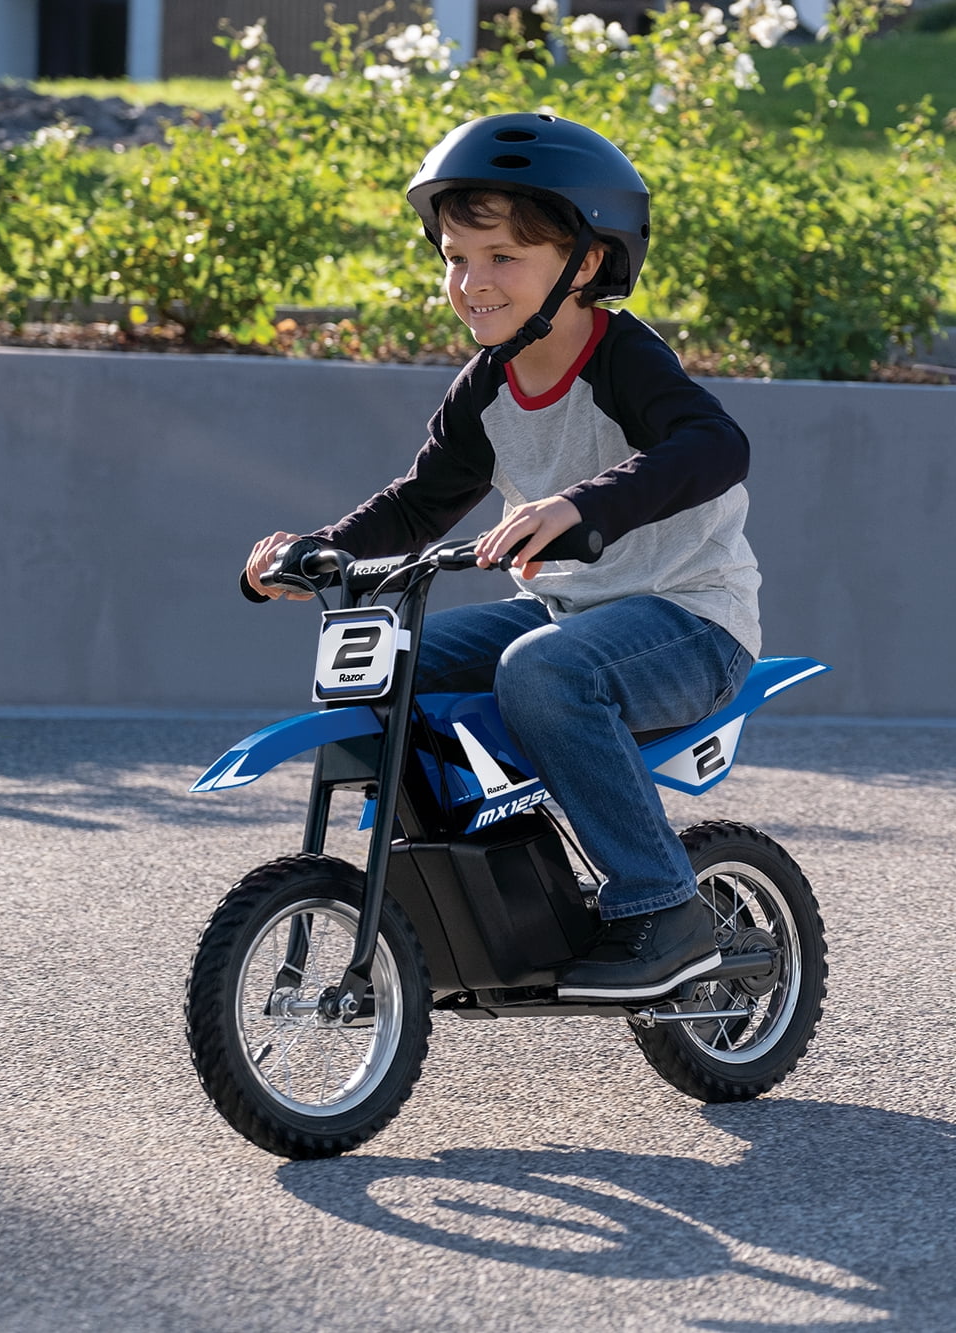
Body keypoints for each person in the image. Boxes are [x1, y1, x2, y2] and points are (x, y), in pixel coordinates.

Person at [241, 114, 760, 1002]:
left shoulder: (622, 361)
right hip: (566, 614)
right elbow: (420, 501)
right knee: (393, 665)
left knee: (542, 673)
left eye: (502, 257)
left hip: (689, 619)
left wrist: (581, 506)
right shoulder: (487, 387)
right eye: (455, 257)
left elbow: (717, 447)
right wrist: (322, 551)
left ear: (585, 265)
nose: (471, 281)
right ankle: (462, 903)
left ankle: (665, 906)